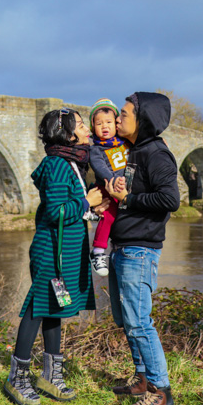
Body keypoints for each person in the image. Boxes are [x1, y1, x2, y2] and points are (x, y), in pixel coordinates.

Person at [4, 108, 108, 405]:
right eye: (81, 125)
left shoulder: (71, 163)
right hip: (52, 250)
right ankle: (17, 377)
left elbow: (68, 208)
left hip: (67, 250)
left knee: (55, 309)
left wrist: (89, 208)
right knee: (38, 307)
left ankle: (51, 375)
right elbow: (55, 213)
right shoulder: (57, 165)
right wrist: (87, 200)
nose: (88, 129)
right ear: (67, 134)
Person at [104, 92, 180, 405]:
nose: (117, 119)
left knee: (140, 323)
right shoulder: (134, 151)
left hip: (140, 250)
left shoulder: (157, 154)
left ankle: (161, 394)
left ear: (142, 119)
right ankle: (142, 379)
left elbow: (170, 199)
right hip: (123, 248)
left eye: (123, 114)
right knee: (126, 320)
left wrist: (129, 199)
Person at [87, 98, 129, 277]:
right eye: (99, 123)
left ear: (116, 123)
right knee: (109, 215)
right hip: (107, 187)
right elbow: (100, 167)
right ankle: (97, 252)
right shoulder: (96, 149)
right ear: (93, 127)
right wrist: (113, 180)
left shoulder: (125, 141)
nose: (104, 126)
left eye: (109, 122)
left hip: (126, 187)